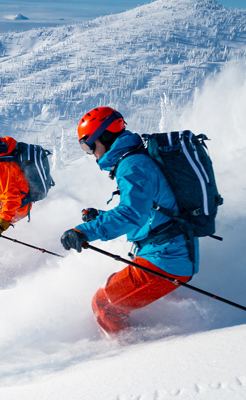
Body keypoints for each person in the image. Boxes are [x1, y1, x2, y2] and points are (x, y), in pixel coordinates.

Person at [60, 107, 199, 341]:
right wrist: (101, 217)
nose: (90, 153)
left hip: (166, 258)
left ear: (104, 137)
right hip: (166, 252)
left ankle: (126, 355)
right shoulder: (133, 160)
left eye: (88, 146)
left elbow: (132, 214)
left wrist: (84, 231)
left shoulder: (133, 165)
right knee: (112, 290)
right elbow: (146, 211)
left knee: (104, 304)